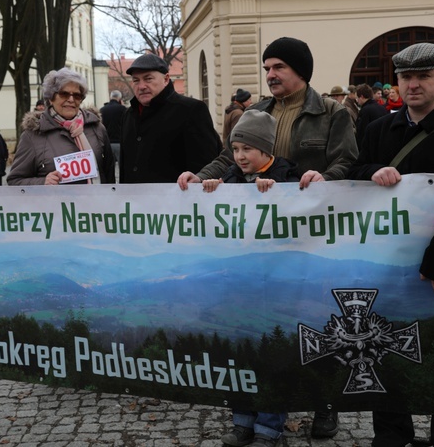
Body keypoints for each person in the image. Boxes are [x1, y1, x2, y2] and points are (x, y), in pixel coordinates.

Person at [178, 36, 358, 439]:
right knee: (266, 325)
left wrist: (322, 179)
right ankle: (256, 411)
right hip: (259, 240)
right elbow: (229, 158)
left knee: (314, 317)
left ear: (300, 70)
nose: (270, 75)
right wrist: (200, 177)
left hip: (310, 234)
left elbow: (346, 159)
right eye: (266, 68)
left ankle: (324, 404)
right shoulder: (257, 111)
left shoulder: (331, 112)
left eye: (278, 67)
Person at [348, 43, 434, 446]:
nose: (412, 84)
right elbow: (355, 173)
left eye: (423, 76)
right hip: (386, 264)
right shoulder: (379, 130)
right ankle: (391, 435)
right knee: (383, 348)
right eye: (406, 77)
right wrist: (374, 171)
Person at [205, 110, 299, 447]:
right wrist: (214, 188)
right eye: (236, 149)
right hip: (239, 284)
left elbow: (302, 206)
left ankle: (269, 428)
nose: (240, 156)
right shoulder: (231, 176)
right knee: (240, 350)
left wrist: (277, 192)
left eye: (247, 149)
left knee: (271, 357)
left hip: (274, 284)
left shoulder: (286, 173)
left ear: (265, 149)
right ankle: (243, 421)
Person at [119, 54, 222, 183]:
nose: (141, 86)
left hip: (179, 199)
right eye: (136, 80)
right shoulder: (128, 115)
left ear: (166, 79)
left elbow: (205, 166)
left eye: (148, 79)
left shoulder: (191, 110)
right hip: (134, 201)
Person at [7, 68, 115, 185]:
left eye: (77, 95)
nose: (71, 99)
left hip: (95, 201)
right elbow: (15, 180)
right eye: (64, 94)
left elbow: (108, 173)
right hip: (55, 202)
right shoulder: (33, 135)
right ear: (51, 98)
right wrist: (43, 182)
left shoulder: (96, 128)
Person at [355, 83, 388, 149]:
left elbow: (361, 132)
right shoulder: (382, 108)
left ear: (361, 96)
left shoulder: (365, 110)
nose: (357, 100)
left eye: (357, 97)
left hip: (370, 147)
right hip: (382, 144)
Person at [100, 90, 127, 165]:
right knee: (123, 166)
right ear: (119, 98)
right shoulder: (123, 109)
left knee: (109, 166)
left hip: (107, 143)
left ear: (110, 97)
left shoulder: (103, 110)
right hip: (120, 142)